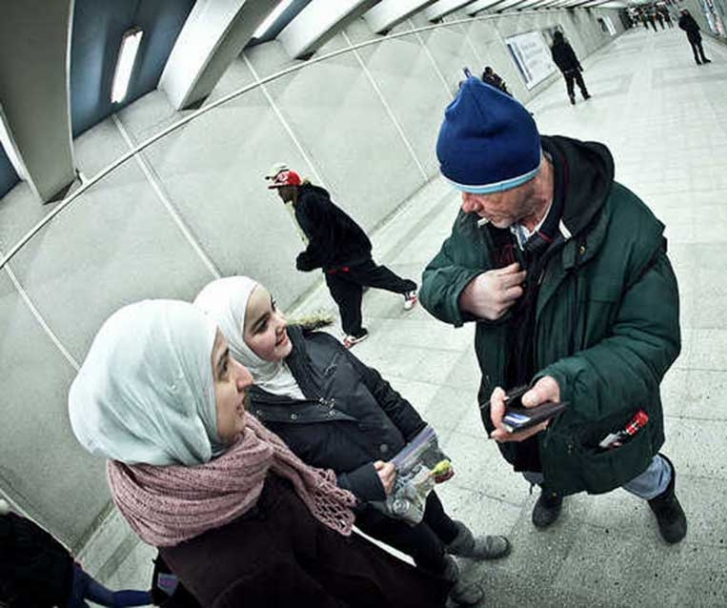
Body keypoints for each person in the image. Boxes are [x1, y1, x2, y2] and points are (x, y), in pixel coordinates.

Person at [419, 77, 688, 545]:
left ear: (523, 176)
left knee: (634, 470)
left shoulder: (629, 231)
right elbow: (432, 279)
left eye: (478, 190)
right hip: (518, 411)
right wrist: (467, 292)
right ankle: (551, 486)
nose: (465, 205)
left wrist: (566, 385)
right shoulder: (482, 220)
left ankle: (661, 492)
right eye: (461, 190)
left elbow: (650, 343)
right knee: (538, 468)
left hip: (600, 411)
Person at [68, 300, 449, 608]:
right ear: (169, 410)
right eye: (221, 368)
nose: (244, 378)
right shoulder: (237, 576)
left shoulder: (226, 454)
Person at [194, 276, 512, 606]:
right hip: (371, 506)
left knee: (435, 513)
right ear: (233, 348)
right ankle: (445, 577)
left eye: (274, 308)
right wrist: (358, 485)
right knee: (422, 545)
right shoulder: (254, 422)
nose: (281, 323)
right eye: (261, 326)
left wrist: (424, 444)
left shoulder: (318, 345)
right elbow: (299, 489)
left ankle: (459, 540)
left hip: (408, 463)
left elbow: (380, 391)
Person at [266, 164, 418, 349]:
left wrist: (308, 259)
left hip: (349, 252)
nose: (279, 194)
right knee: (342, 293)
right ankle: (355, 332)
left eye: (280, 188)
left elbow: (325, 234)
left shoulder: (311, 202)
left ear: (291, 186)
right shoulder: (301, 204)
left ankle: (408, 289)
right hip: (335, 258)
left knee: (373, 277)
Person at [0, 499, 151, 608]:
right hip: (70, 572)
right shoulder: (14, 521)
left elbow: (17, 593)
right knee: (113, 598)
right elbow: (48, 539)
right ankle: (161, 595)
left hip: (61, 595)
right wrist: (68, 559)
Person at [550, 31, 590, 106]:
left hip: (565, 70)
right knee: (580, 81)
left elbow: (554, 59)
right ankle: (585, 94)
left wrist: (561, 68)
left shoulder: (553, 48)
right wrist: (578, 65)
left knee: (569, 83)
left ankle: (571, 94)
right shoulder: (565, 45)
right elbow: (572, 56)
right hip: (572, 67)